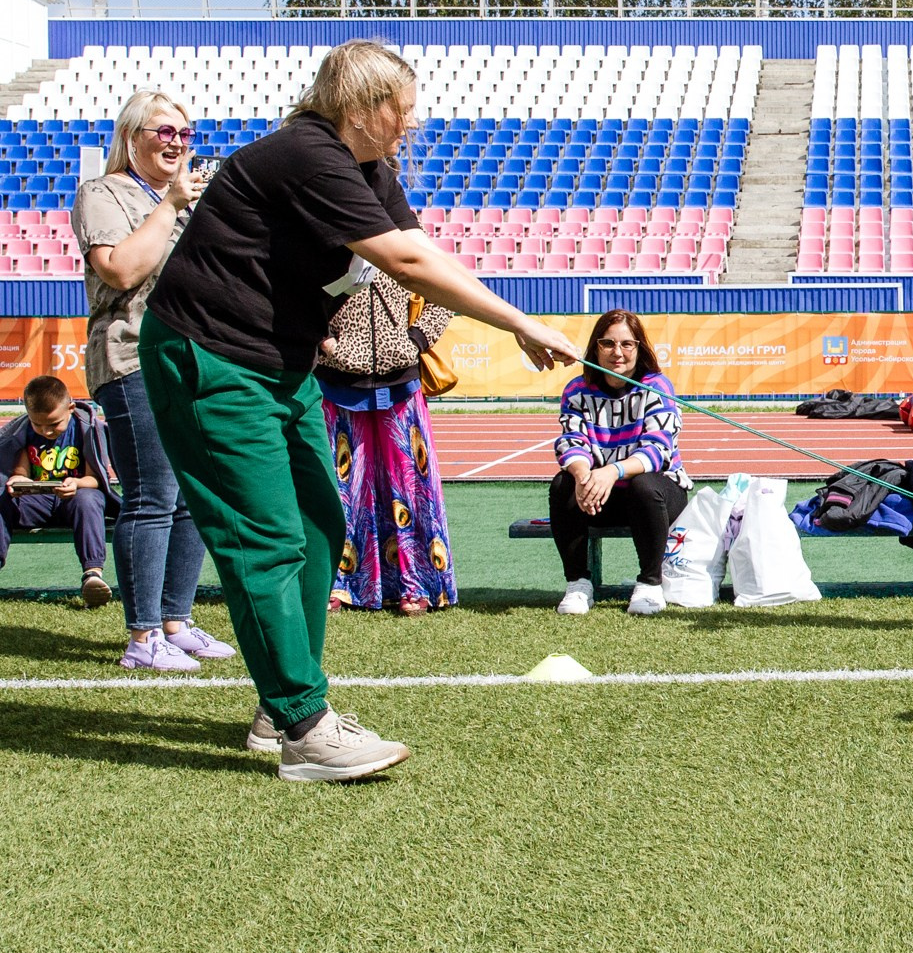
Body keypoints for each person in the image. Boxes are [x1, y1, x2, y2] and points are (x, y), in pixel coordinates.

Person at [142, 39, 578, 784]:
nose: (411, 124)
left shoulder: (371, 167)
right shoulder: (308, 154)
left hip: (281, 364)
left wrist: (512, 317)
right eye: (402, 110)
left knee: (320, 522)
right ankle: (305, 727)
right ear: (363, 106)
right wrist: (520, 323)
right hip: (211, 357)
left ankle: (283, 702)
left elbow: (418, 249)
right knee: (266, 540)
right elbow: (404, 265)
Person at [73, 91, 229, 669]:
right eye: (164, 132)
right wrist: (171, 205)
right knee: (152, 494)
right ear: (131, 136)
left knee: (192, 493)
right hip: (132, 356)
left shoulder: (187, 200)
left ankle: (175, 621)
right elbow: (121, 269)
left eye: (185, 135)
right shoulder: (103, 192)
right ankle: (142, 638)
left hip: (192, 358)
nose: (177, 143)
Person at [317, 270, 457, 616]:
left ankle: (417, 583)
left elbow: (444, 291)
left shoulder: (408, 239)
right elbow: (293, 294)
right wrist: (327, 342)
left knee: (411, 487)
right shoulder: (323, 239)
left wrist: (414, 341)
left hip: (401, 384)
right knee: (339, 488)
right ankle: (335, 582)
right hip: (335, 381)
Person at [550, 310, 690, 617]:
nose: (617, 352)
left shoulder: (657, 386)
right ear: (596, 347)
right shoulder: (576, 390)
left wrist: (612, 471)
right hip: (602, 497)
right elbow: (571, 441)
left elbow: (657, 451)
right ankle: (578, 584)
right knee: (564, 482)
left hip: (658, 496)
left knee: (644, 484)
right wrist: (583, 474)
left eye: (627, 344)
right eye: (608, 343)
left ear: (639, 348)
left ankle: (650, 584)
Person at [0, 375, 114, 611]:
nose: (46, 431)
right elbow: (20, 473)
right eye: (38, 424)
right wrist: (18, 481)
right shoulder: (24, 432)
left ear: (70, 408)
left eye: (53, 424)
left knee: (88, 498)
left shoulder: (85, 429)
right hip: (38, 503)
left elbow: (95, 479)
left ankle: (92, 574)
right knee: (2, 498)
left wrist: (77, 483)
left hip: (74, 501)